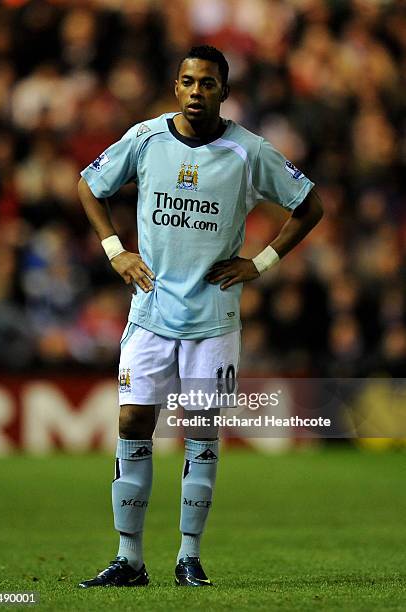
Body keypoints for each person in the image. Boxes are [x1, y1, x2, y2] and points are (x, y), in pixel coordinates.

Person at [77, 45, 323, 588]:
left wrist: (261, 263)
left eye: (207, 83)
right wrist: (116, 249)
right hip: (149, 311)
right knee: (132, 423)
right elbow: (89, 186)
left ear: (224, 92)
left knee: (201, 430)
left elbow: (310, 205)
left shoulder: (248, 151)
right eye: (188, 81)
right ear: (175, 86)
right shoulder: (144, 139)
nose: (196, 91)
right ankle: (129, 559)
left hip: (213, 317)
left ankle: (189, 556)